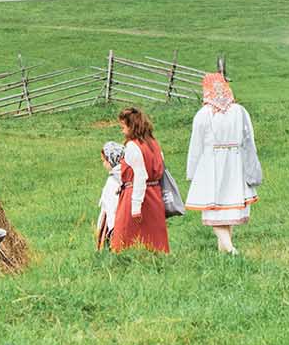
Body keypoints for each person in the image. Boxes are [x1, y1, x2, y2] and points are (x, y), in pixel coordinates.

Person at [184, 72, 261, 255]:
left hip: (212, 164)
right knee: (227, 209)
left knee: (213, 211)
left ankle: (231, 249)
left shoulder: (203, 115)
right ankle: (223, 252)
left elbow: (196, 145)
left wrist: (192, 173)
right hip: (235, 161)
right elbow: (248, 138)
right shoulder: (240, 111)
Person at [110, 107, 170, 254]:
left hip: (136, 195)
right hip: (154, 195)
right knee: (154, 233)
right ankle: (155, 258)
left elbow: (140, 176)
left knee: (126, 233)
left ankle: (126, 258)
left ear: (132, 126)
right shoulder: (154, 143)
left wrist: (136, 206)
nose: (122, 131)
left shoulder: (133, 146)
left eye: (123, 126)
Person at [94, 141, 124, 249]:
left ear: (111, 160)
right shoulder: (126, 175)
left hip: (112, 222)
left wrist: (111, 229)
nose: (104, 164)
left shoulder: (113, 180)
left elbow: (111, 206)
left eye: (104, 161)